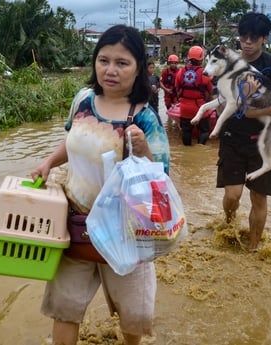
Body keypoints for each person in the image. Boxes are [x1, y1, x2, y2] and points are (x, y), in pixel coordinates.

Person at [30, 24, 170, 345]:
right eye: (103, 60)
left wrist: (144, 150)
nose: (111, 70)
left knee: (132, 315)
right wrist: (49, 162)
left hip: (126, 231)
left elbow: (161, 179)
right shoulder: (83, 100)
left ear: (138, 70)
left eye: (122, 63)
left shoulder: (145, 118)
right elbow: (74, 140)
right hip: (75, 224)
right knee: (65, 309)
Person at [217, 13, 271, 251]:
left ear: (264, 38)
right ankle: (228, 221)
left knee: (258, 197)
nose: (247, 42)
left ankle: (253, 249)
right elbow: (218, 97)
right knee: (233, 195)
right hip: (232, 138)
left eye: (253, 38)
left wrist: (256, 112)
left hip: (264, 141)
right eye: (243, 37)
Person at [174, 46, 213, 145]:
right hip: (200, 108)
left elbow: (177, 87)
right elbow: (211, 90)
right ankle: (200, 149)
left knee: (186, 131)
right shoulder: (205, 73)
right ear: (201, 58)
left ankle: (187, 151)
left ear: (189, 57)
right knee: (204, 131)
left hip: (185, 108)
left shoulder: (181, 72)